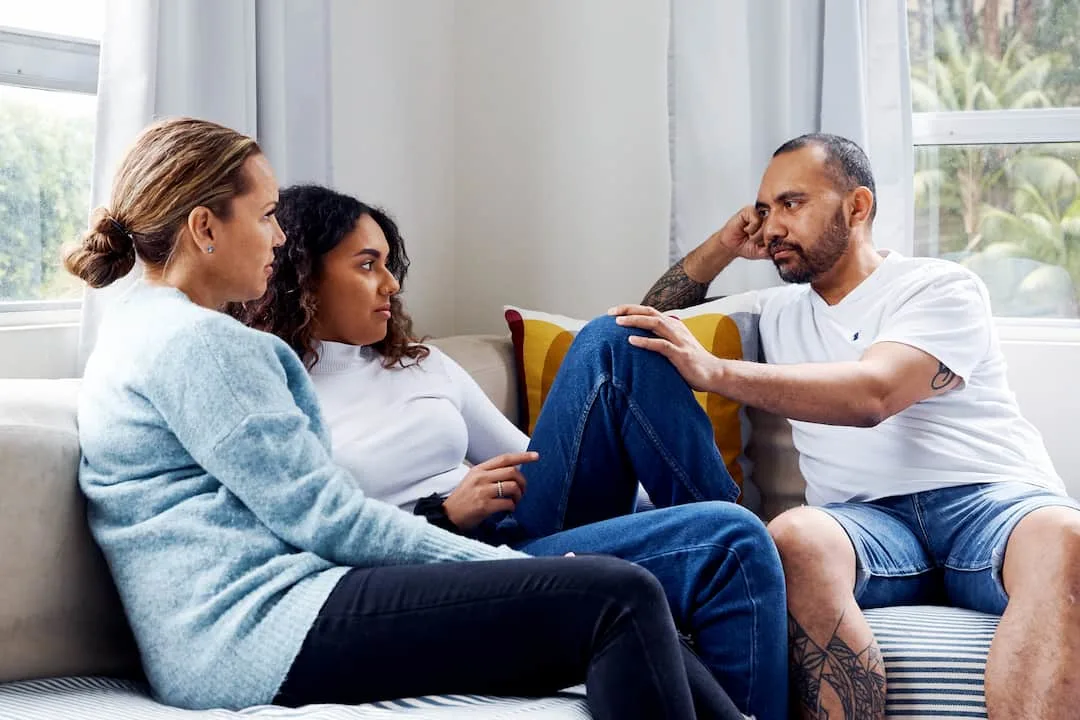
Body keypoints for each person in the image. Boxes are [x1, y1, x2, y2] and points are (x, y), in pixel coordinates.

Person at [64, 117, 750, 720]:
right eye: (267, 214)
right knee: (617, 595)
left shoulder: (141, 331)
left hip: (266, 619)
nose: (278, 237)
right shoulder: (200, 345)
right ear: (205, 228)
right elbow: (328, 519)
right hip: (259, 632)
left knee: (612, 593)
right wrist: (497, 565)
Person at [232, 184, 789, 720]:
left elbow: (538, 463)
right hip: (437, 565)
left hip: (516, 525)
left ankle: (715, 519)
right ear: (304, 278)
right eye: (366, 265)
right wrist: (446, 515)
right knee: (731, 540)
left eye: (387, 266)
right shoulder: (269, 394)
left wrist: (652, 517)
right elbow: (313, 537)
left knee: (612, 340)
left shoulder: (421, 362)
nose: (390, 286)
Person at [615, 132, 1080, 720]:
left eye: (791, 204)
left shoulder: (939, 286)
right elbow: (641, 326)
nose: (774, 225)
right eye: (764, 211)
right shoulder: (775, 312)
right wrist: (724, 245)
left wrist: (716, 371)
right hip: (868, 524)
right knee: (794, 536)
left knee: (1068, 538)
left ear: (857, 207)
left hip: (990, 503)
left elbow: (874, 394)